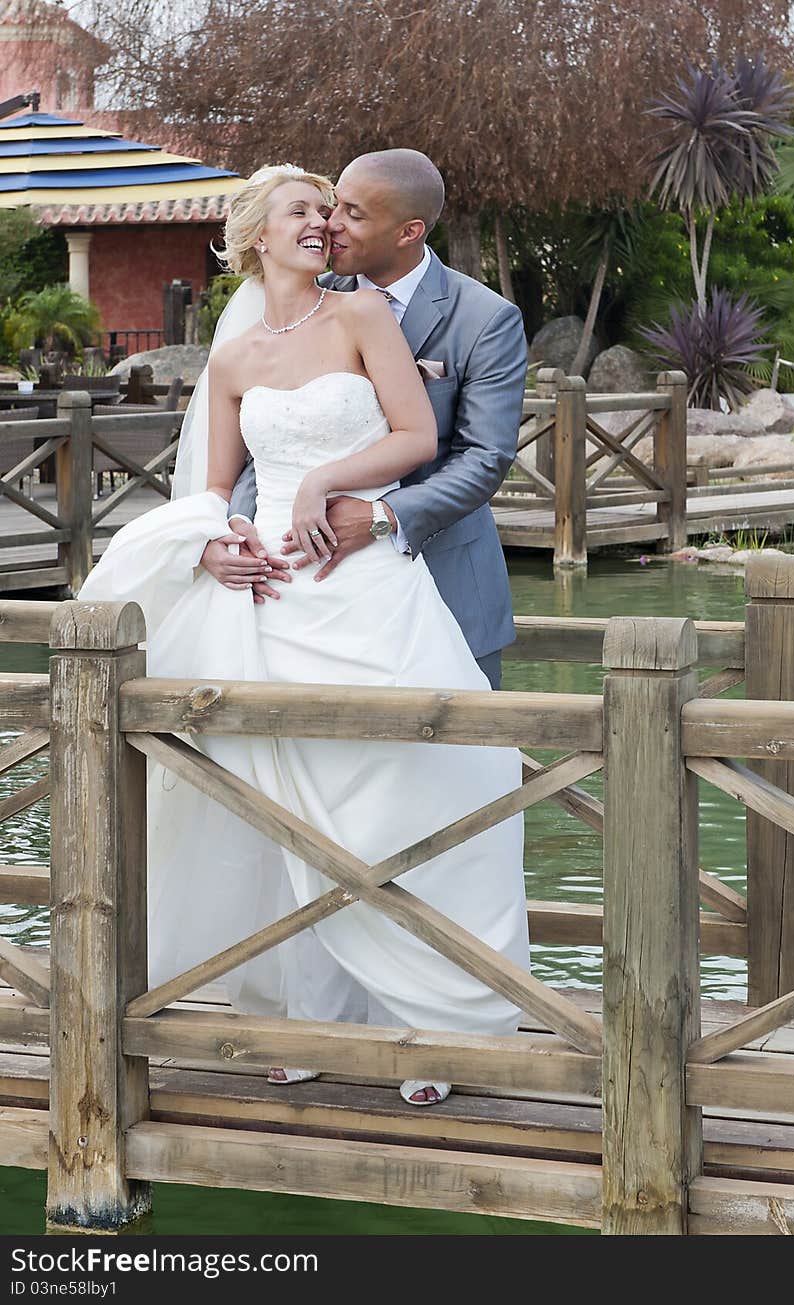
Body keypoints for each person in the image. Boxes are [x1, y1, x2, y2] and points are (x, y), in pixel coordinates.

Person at [78, 163, 530, 1108]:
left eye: (332, 210)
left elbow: (424, 438)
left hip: (367, 582)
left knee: (409, 797)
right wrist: (215, 549)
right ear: (258, 240)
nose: (325, 223)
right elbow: (214, 491)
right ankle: (306, 1011)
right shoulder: (234, 359)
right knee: (290, 809)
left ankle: (431, 1023)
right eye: (306, 210)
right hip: (276, 596)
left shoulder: (365, 315)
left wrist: (330, 482)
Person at [200, 148, 527, 691]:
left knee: (453, 762)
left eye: (352, 213)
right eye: (332, 207)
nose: (329, 224)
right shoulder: (314, 306)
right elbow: (274, 448)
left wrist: (382, 515)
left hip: (443, 578)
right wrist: (240, 529)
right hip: (297, 577)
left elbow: (485, 458)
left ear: (408, 231)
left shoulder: (485, 318)